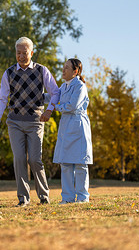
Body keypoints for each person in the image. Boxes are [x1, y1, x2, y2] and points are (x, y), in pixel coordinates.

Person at [0, 37, 60, 207]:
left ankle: (44, 196)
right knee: (19, 158)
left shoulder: (41, 71)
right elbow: (2, 98)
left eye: (24, 52)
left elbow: (56, 92)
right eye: (18, 53)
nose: (21, 56)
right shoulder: (8, 73)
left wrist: (49, 109)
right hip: (14, 121)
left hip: (35, 121)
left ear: (31, 53)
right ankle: (23, 198)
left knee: (35, 160)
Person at [52, 58, 92, 204]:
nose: (63, 70)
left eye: (67, 68)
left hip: (78, 125)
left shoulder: (80, 86)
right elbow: (53, 97)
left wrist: (54, 108)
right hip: (65, 126)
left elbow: (72, 106)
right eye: (63, 67)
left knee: (81, 164)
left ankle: (82, 197)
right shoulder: (63, 86)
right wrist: (38, 98)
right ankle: (67, 198)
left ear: (75, 71)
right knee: (66, 163)